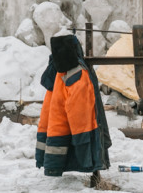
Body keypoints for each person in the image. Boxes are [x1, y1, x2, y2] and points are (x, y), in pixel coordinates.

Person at [35, 33, 112, 182]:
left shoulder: (57, 70)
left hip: (55, 125)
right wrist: (85, 145)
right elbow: (80, 113)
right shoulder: (77, 74)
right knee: (80, 144)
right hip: (76, 125)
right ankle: (91, 169)